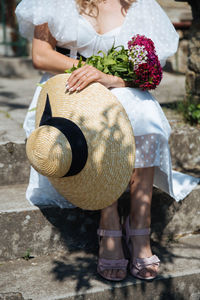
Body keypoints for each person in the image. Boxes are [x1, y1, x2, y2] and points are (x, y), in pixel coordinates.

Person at [16, 0, 199, 282]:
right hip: (68, 87)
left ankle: (140, 224)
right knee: (101, 122)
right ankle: (109, 218)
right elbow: (41, 56)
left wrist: (111, 78)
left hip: (117, 84)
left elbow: (149, 69)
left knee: (147, 118)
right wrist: (89, 70)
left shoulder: (141, 5)